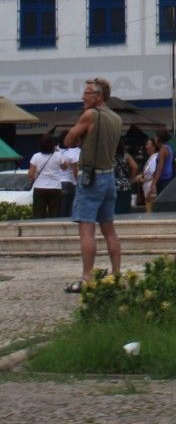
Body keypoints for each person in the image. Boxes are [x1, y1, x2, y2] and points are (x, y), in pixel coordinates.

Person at [62, 77, 123, 292]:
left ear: (98, 97)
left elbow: (68, 140)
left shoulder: (90, 115)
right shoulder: (116, 118)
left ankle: (86, 279)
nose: (82, 97)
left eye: (87, 93)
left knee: (87, 229)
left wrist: (79, 137)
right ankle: (117, 275)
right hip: (109, 176)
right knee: (109, 229)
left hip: (91, 178)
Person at [27, 134, 66, 218]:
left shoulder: (36, 156)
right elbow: (64, 167)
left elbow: (30, 175)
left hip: (39, 188)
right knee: (54, 214)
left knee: (38, 214)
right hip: (55, 187)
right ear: (53, 144)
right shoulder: (58, 155)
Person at [153, 129, 176, 201]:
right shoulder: (169, 148)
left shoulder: (162, 150)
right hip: (169, 178)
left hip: (163, 180)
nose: (154, 139)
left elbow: (160, 168)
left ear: (159, 138)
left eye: (156, 137)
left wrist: (154, 182)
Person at [141, 137, 160, 211]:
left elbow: (154, 174)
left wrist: (143, 180)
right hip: (148, 189)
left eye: (148, 144)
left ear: (153, 147)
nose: (146, 146)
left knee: (151, 211)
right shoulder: (151, 158)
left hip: (151, 190)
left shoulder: (155, 158)